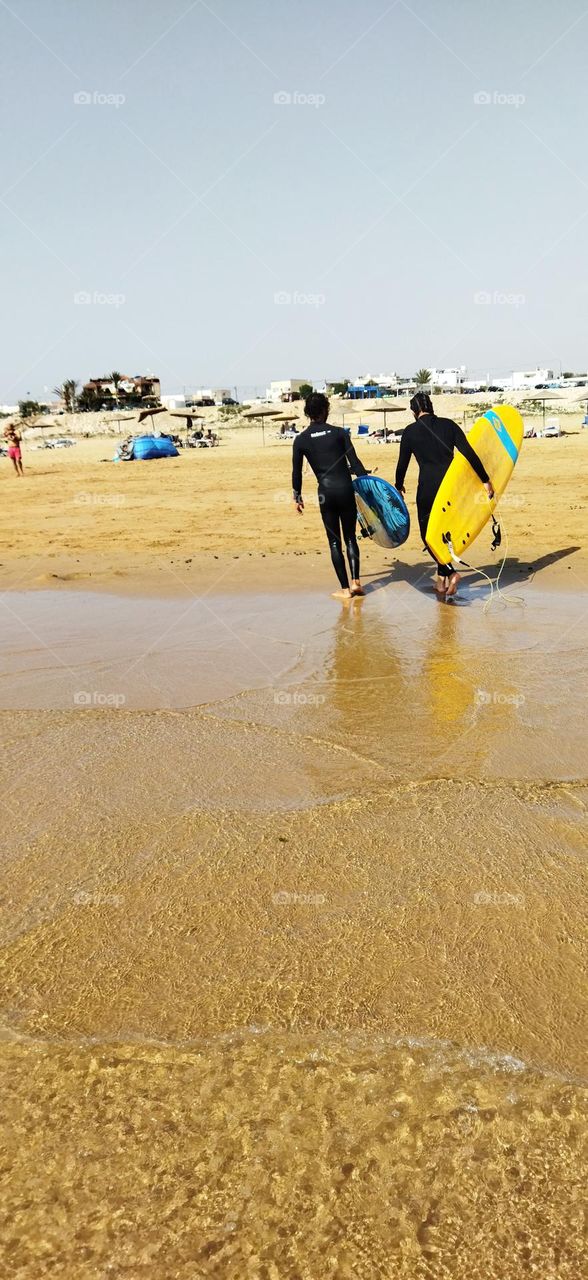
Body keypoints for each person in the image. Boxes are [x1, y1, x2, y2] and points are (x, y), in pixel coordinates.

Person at [395, 392, 494, 597]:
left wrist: (398, 485)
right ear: (431, 407)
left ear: (414, 412)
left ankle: (451, 573)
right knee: (445, 535)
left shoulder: (410, 432)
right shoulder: (449, 425)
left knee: (429, 536)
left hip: (428, 490)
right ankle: (441, 583)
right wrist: (485, 480)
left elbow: (402, 463)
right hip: (451, 489)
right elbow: (468, 453)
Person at [292, 392, 369, 600]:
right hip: (345, 490)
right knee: (351, 536)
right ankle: (356, 582)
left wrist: (297, 496)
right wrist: (368, 486)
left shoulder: (301, 440)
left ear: (308, 413)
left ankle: (344, 589)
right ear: (326, 410)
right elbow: (355, 463)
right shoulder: (339, 433)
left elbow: (297, 472)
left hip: (325, 494)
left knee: (334, 542)